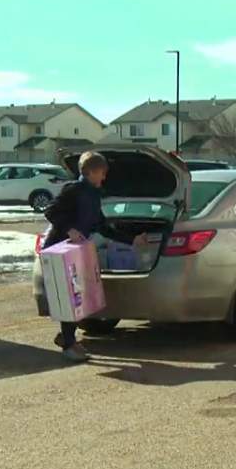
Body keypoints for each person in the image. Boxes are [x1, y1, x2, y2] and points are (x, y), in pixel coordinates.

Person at [42, 151, 145, 362]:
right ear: (91, 172)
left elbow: (101, 226)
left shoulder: (95, 194)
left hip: (75, 251)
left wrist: (131, 239)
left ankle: (67, 337)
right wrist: (69, 228)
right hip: (60, 249)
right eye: (102, 173)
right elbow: (50, 211)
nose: (104, 177)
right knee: (71, 297)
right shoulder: (74, 190)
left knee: (78, 296)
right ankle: (69, 344)